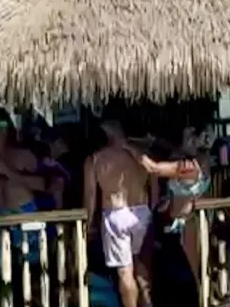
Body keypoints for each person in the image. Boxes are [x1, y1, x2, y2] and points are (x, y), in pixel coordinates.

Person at [81, 115, 197, 307]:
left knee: (125, 273)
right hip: (141, 212)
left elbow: (91, 197)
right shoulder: (141, 155)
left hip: (114, 213)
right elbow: (154, 186)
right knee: (143, 269)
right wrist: (151, 210)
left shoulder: (96, 159)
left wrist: (90, 223)